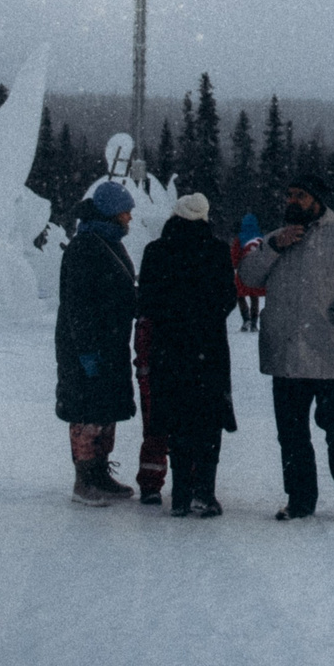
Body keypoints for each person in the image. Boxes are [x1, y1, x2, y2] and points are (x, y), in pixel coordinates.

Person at [237, 173, 334, 520]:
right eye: (289, 195)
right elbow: (248, 276)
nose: (292, 201)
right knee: (292, 434)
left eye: (300, 195)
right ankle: (300, 499)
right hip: (285, 355)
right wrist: (274, 247)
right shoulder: (274, 239)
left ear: (317, 200)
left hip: (329, 352)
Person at [136, 193, 239, 517]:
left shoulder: (156, 251)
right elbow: (228, 300)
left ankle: (179, 494)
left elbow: (146, 302)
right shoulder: (218, 251)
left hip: (169, 349)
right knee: (208, 424)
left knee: (176, 421)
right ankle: (204, 492)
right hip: (208, 349)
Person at [56, 180, 139, 506]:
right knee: (87, 410)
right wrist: (87, 351)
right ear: (109, 212)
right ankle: (84, 479)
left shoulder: (109, 241)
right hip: (86, 346)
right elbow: (79, 306)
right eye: (125, 212)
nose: (129, 218)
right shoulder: (84, 247)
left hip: (112, 341)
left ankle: (101, 473)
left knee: (105, 408)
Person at [233, 212, 267, 333]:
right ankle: (254, 323)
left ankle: (246, 319)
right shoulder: (261, 238)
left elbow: (234, 257)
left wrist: (235, 264)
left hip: (243, 272)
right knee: (254, 296)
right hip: (257, 273)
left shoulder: (240, 238)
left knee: (239, 295)